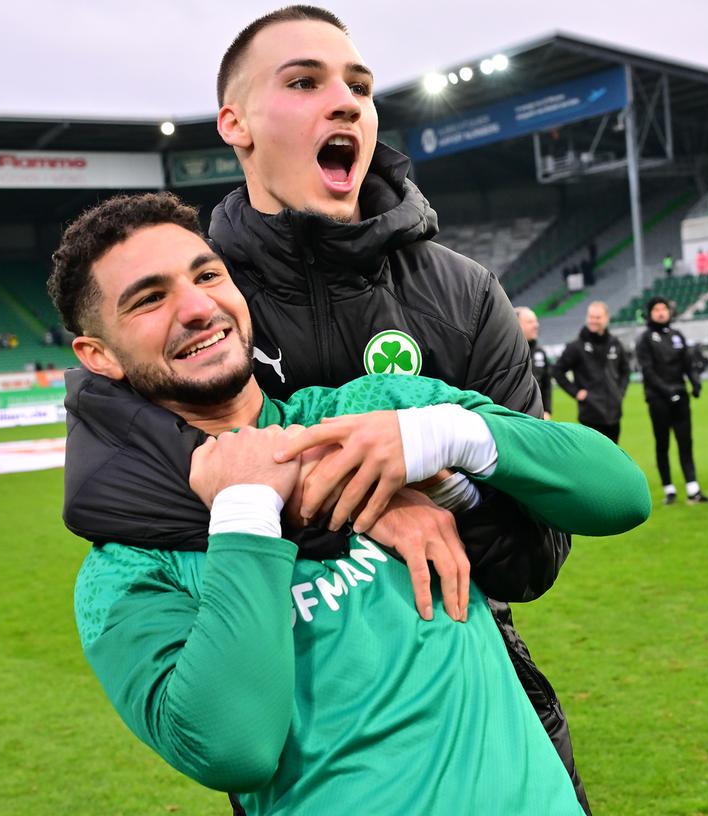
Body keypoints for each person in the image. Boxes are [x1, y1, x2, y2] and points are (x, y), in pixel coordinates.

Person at [63, 8, 588, 807]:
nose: (343, 101)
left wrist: (432, 477)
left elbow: (536, 555)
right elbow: (112, 473)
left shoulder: (461, 293)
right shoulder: (201, 297)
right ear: (234, 123)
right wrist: (344, 502)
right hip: (310, 740)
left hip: (484, 694)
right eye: (304, 82)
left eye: (360, 85)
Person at [49, 194, 649, 815]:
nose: (198, 308)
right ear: (98, 356)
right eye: (150, 298)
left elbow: (620, 494)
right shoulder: (124, 571)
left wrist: (440, 439)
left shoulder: (368, 410)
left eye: (207, 275)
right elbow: (234, 750)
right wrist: (246, 514)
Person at [635, 296, 708, 505]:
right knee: (663, 444)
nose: (661, 312)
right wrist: (667, 391)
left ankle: (693, 488)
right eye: (657, 309)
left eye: (664, 309)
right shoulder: (645, 339)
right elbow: (648, 370)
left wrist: (695, 383)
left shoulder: (677, 335)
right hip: (658, 399)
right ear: (650, 313)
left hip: (681, 397)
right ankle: (669, 489)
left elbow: (687, 363)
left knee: (685, 442)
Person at [553, 300, 629, 442]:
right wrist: (575, 392)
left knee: (613, 457)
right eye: (591, 317)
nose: (593, 321)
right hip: (590, 413)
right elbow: (557, 371)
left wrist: (620, 392)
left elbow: (625, 370)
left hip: (614, 412)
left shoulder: (615, 343)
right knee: (595, 459)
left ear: (607, 318)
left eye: (597, 317)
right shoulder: (576, 346)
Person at [516, 306, 552, 419]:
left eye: (536, 321)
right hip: (515, 416)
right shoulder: (507, 351)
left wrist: (547, 410)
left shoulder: (540, 352)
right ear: (516, 324)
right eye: (530, 322)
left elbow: (546, 383)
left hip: (538, 416)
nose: (536, 325)